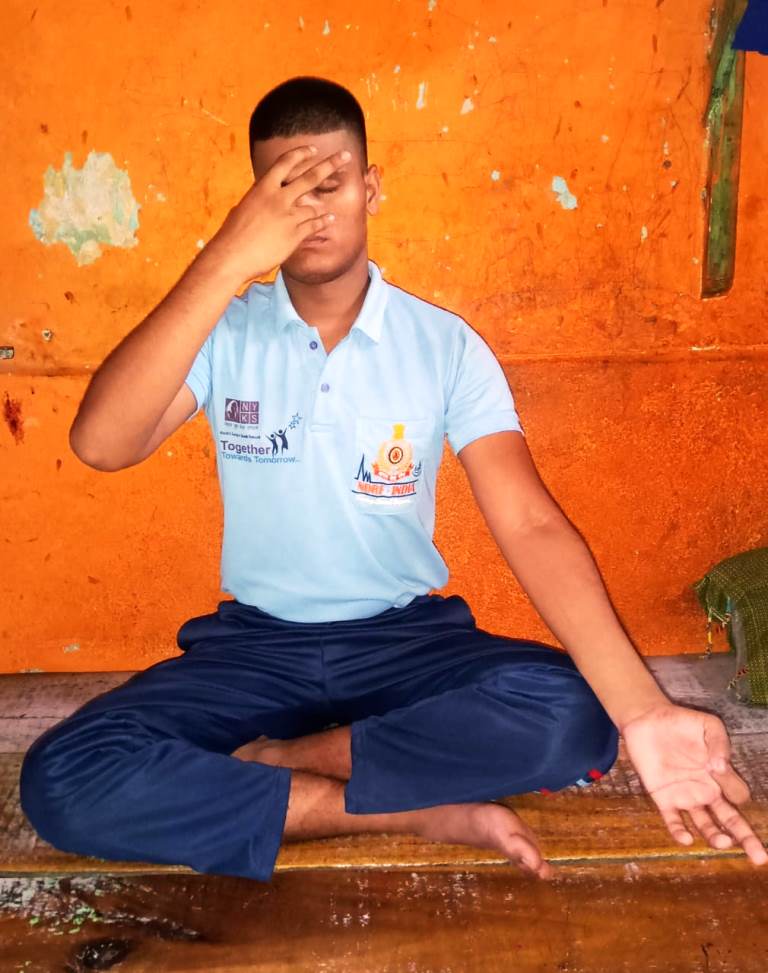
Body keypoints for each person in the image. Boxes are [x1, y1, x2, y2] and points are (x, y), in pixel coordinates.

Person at [19, 77, 767, 885]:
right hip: (255, 650)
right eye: (283, 192)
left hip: (404, 645)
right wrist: (230, 255)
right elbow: (102, 443)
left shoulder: (444, 345)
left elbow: (530, 522)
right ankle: (406, 805)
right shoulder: (221, 333)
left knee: (573, 713)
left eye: (330, 184)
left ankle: (286, 764)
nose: (310, 212)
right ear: (252, 207)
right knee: (65, 776)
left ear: (371, 189)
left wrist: (644, 709)